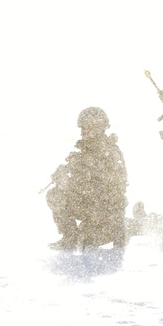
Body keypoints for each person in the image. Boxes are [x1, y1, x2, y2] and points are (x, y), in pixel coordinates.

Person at [46, 106, 128, 251]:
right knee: (55, 194)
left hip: (107, 220)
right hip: (94, 213)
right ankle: (70, 238)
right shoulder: (85, 152)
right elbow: (84, 186)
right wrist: (63, 175)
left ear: (98, 127)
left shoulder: (109, 152)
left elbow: (105, 188)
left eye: (86, 127)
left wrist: (71, 180)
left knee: (86, 240)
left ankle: (81, 236)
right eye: (82, 128)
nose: (82, 131)